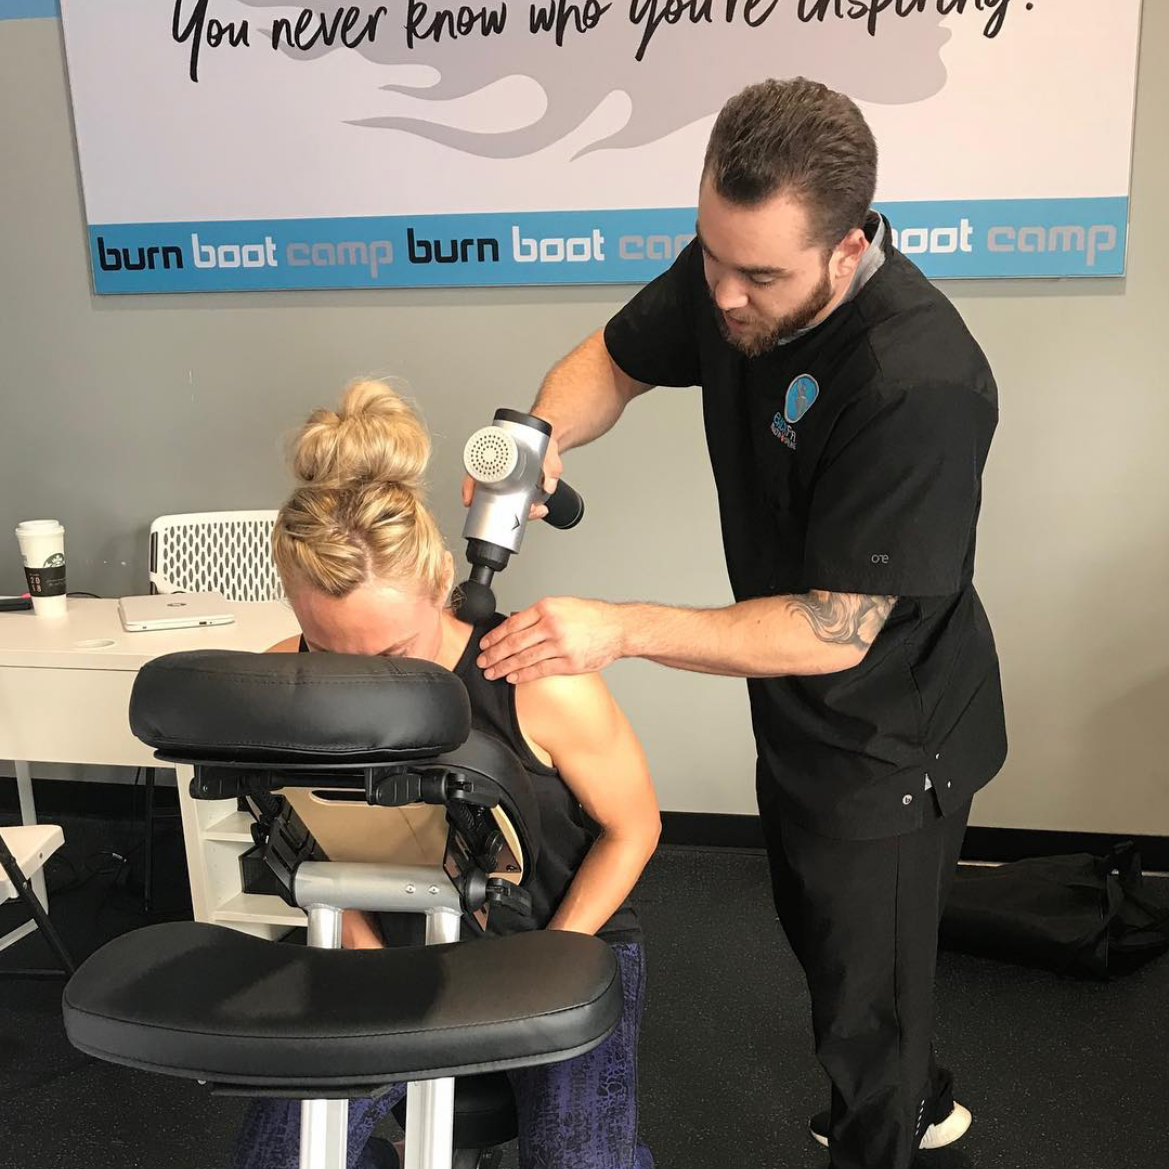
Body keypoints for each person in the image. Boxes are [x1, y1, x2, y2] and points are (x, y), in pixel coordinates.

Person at [473, 77, 1008, 1169]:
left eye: (757, 274)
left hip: (890, 731)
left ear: (848, 245)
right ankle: (916, 1084)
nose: (722, 294)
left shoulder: (916, 381)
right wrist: (539, 431)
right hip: (796, 701)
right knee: (832, 938)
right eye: (710, 255)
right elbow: (613, 360)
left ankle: (887, 1127)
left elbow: (832, 628)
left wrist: (616, 625)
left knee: (867, 993)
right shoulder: (730, 272)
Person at [233, 379, 660, 1169]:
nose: (362, 685)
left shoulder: (534, 677)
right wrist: (362, 953)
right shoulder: (278, 686)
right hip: (383, 943)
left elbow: (634, 827)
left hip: (556, 938)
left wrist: (542, 972)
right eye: (329, 655)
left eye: (392, 655)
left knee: (579, 1162)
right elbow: (295, 837)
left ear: (440, 582)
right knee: (278, 1161)